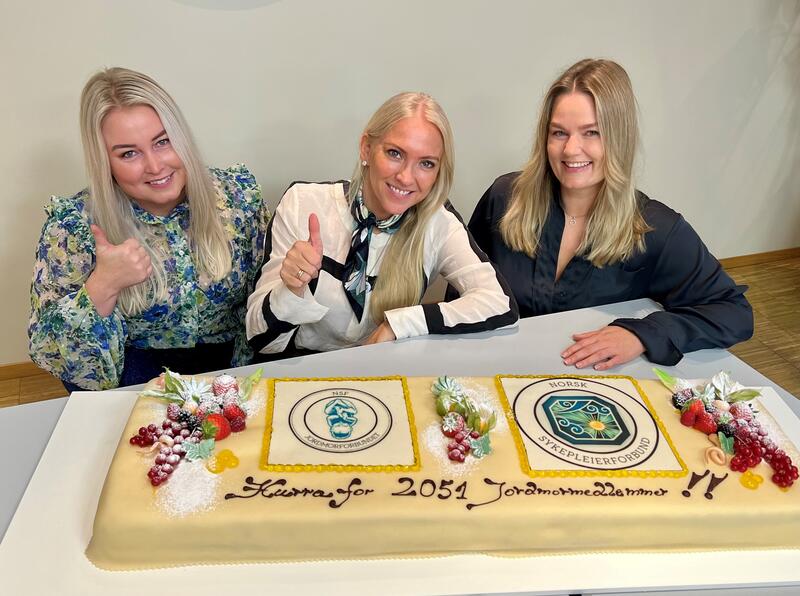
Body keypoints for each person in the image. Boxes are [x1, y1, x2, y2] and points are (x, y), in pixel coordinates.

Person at [463, 59, 753, 369]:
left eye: (592, 133)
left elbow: (733, 312)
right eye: (559, 133)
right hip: (492, 373)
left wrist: (642, 334)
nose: (571, 150)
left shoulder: (655, 229)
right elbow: (463, 290)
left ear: (619, 138)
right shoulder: (504, 198)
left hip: (591, 391)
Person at [29, 68, 270, 391]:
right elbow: (52, 352)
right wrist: (102, 285)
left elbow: (262, 300)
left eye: (162, 142)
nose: (155, 167)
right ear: (105, 162)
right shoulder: (73, 228)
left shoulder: (237, 198)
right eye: (129, 153)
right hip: (133, 378)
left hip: (232, 368)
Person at [246, 92, 518, 356]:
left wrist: (401, 323)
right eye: (395, 153)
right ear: (366, 147)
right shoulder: (303, 203)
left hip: (384, 372)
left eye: (426, 163)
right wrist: (292, 288)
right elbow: (260, 339)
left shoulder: (438, 222)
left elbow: (499, 302)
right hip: (302, 372)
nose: (406, 177)